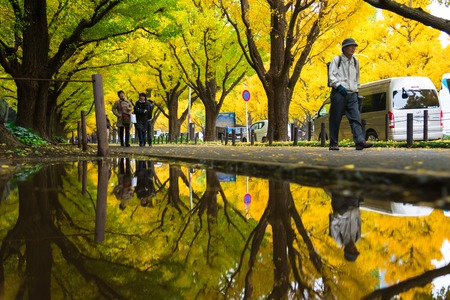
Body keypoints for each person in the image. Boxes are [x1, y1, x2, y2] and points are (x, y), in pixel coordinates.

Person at [328, 38, 373, 151]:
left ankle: (359, 141)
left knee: (355, 118)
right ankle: (333, 143)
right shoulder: (336, 60)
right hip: (339, 92)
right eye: (351, 46)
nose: (353, 48)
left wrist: (356, 89)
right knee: (335, 118)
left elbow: (357, 77)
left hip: (352, 93)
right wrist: (339, 86)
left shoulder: (356, 61)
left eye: (354, 46)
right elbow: (331, 76)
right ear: (344, 48)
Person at [328, 191, 362, 262]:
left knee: (339, 186)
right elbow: (359, 221)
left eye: (352, 251)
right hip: (353, 205)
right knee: (355, 186)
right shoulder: (357, 238)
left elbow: (334, 224)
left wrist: (340, 213)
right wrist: (358, 208)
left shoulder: (339, 240)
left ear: (347, 250)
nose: (354, 249)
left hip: (340, 205)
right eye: (355, 251)